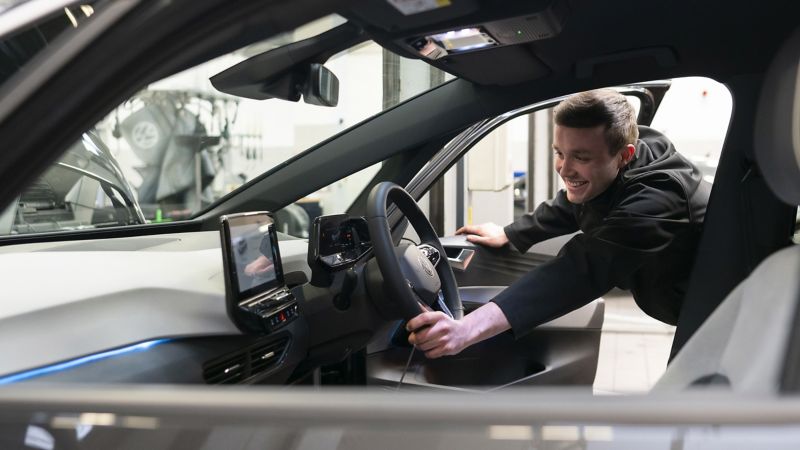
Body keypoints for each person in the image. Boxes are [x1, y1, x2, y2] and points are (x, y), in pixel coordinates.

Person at [407, 88, 710, 358]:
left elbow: (578, 271)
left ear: (623, 156)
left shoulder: (656, 201)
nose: (564, 169)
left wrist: (467, 329)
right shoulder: (629, 148)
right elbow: (578, 198)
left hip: (709, 306)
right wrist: (511, 232)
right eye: (559, 153)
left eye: (581, 157)